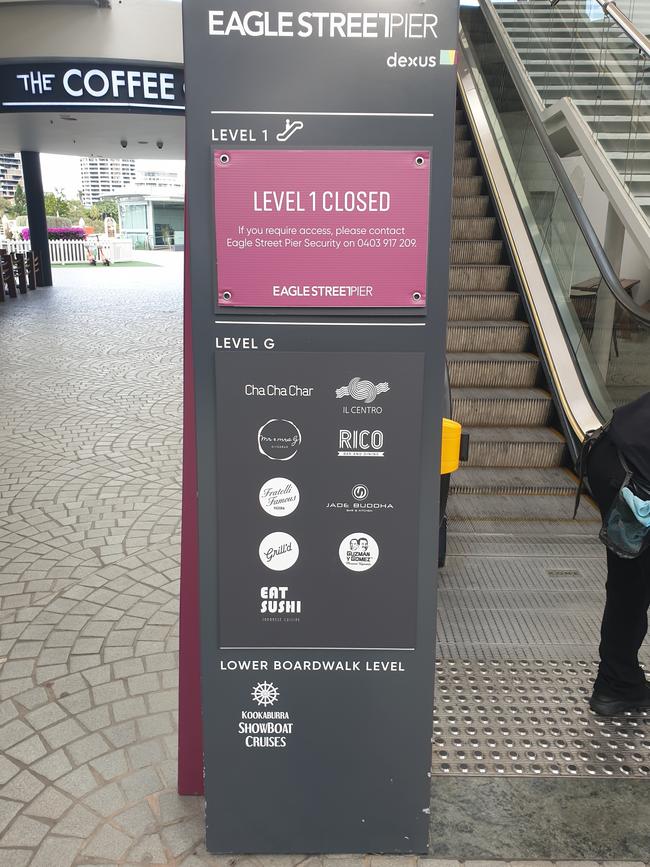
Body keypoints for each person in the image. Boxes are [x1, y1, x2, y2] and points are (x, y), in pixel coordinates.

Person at [586, 391, 650, 715]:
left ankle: (618, 684)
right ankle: (616, 682)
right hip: (635, 478)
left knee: (630, 587)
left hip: (613, 456)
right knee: (632, 586)